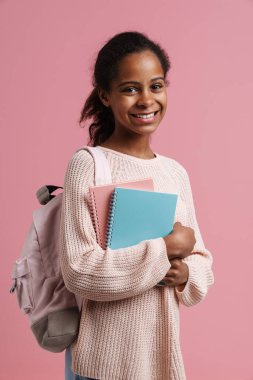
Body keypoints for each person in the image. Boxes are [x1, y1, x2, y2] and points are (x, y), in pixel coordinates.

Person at [59, 31, 214, 380]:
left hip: (161, 362)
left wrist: (185, 273)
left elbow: (202, 260)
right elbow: (79, 271)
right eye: (130, 89)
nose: (146, 99)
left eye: (156, 86)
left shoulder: (174, 172)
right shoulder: (88, 164)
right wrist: (163, 252)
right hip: (101, 365)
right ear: (105, 95)